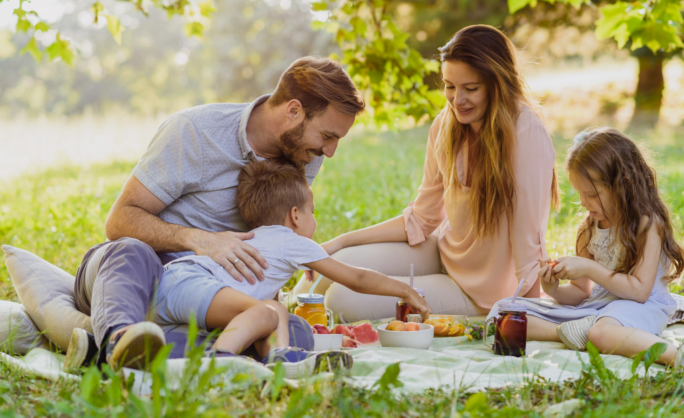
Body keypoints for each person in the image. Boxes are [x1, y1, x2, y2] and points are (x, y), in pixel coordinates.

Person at [63, 57, 367, 371]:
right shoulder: (195, 131)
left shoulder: (304, 153)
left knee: (293, 332)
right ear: (293, 111)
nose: (329, 151)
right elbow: (119, 222)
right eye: (328, 136)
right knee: (131, 251)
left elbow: (270, 241)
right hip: (136, 278)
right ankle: (118, 339)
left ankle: (126, 354)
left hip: (209, 296)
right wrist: (200, 240)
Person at [294, 25, 560, 321]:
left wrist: (530, 317)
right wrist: (341, 241)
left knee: (343, 301)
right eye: (450, 86)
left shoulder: (526, 131)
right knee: (332, 264)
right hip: (443, 254)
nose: (457, 100)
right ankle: (274, 316)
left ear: (497, 84)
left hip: (483, 291)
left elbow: (528, 238)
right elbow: (422, 218)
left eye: (470, 89)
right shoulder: (446, 125)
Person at [149, 160, 431, 376]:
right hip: (191, 282)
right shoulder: (290, 240)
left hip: (175, 286)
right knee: (264, 312)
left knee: (275, 312)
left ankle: (281, 360)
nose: (314, 219)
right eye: (313, 211)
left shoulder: (263, 239)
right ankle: (220, 363)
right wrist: (404, 290)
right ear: (295, 215)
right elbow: (356, 278)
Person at [503, 128, 684, 367]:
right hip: (599, 307)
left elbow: (639, 292)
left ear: (623, 185)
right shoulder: (588, 229)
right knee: (505, 313)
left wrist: (588, 267)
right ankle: (570, 331)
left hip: (643, 306)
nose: (583, 203)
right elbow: (581, 293)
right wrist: (554, 289)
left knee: (601, 333)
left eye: (592, 194)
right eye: (580, 193)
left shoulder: (648, 225)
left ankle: (675, 356)